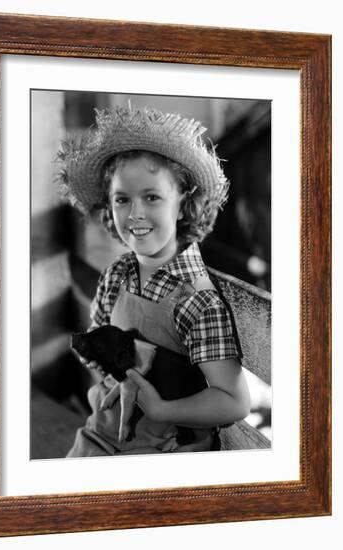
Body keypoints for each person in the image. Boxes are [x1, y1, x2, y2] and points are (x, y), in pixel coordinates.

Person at [56, 104, 251, 456]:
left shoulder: (196, 301)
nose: (135, 214)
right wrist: (116, 378)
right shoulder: (117, 275)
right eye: (122, 199)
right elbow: (97, 343)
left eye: (152, 197)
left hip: (166, 450)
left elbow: (234, 402)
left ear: (182, 204)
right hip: (103, 431)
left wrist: (162, 409)